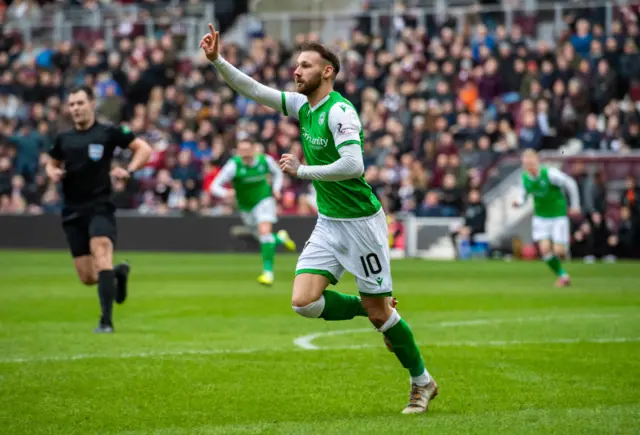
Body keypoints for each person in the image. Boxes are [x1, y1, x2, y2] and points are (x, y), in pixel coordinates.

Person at [200, 24, 437, 415]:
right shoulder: (302, 106)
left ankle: (421, 382)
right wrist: (217, 62)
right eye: (296, 64)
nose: (296, 71)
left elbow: (354, 164)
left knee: (383, 317)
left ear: (327, 71)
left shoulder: (340, 111)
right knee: (303, 302)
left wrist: (303, 172)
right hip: (329, 222)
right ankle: (369, 306)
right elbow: (255, 91)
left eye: (305, 65)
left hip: (361, 224)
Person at [46, 85, 152, 333]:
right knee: (87, 277)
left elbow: (143, 149)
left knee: (101, 254)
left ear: (92, 104)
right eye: (72, 105)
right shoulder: (64, 139)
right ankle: (117, 275)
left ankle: (106, 322)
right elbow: (51, 163)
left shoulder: (108, 132)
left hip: (100, 206)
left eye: (80, 103)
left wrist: (129, 171)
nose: (75, 109)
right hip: (72, 211)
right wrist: (53, 172)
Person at [210, 139, 296, 286]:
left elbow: (278, 174)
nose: (244, 154)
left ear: (253, 150)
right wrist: (226, 193)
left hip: (264, 200)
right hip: (245, 207)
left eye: (247, 150)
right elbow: (214, 186)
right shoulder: (233, 165)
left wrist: (275, 189)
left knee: (264, 234)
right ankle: (280, 238)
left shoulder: (265, 161)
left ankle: (268, 273)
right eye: (241, 151)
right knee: (264, 238)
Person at [513, 149, 580, 287]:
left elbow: (570, 183)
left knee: (559, 251)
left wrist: (575, 205)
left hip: (557, 215)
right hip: (541, 217)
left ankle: (564, 254)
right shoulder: (524, 178)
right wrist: (518, 203)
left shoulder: (549, 174)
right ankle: (563, 276)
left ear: (537, 160)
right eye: (526, 162)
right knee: (544, 250)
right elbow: (523, 196)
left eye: (531, 161)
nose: (529, 165)